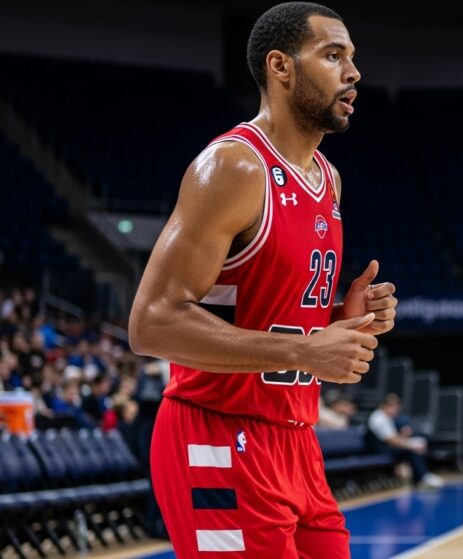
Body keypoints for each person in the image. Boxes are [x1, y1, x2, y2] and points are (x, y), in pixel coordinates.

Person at [128, 4, 398, 557]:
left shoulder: (328, 178)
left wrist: (338, 323)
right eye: (333, 55)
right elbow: (151, 323)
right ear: (280, 66)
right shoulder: (233, 167)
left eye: (353, 58)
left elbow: (259, 313)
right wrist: (305, 351)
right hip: (217, 432)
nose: (354, 73)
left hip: (296, 441)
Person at [367, 393, 443, 489]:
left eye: (395, 406)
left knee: (419, 445)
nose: (394, 409)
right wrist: (411, 445)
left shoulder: (388, 418)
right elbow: (391, 440)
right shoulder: (378, 418)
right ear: (383, 405)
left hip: (386, 447)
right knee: (412, 450)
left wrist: (408, 441)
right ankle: (422, 477)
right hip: (378, 450)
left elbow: (395, 437)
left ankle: (422, 476)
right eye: (390, 406)